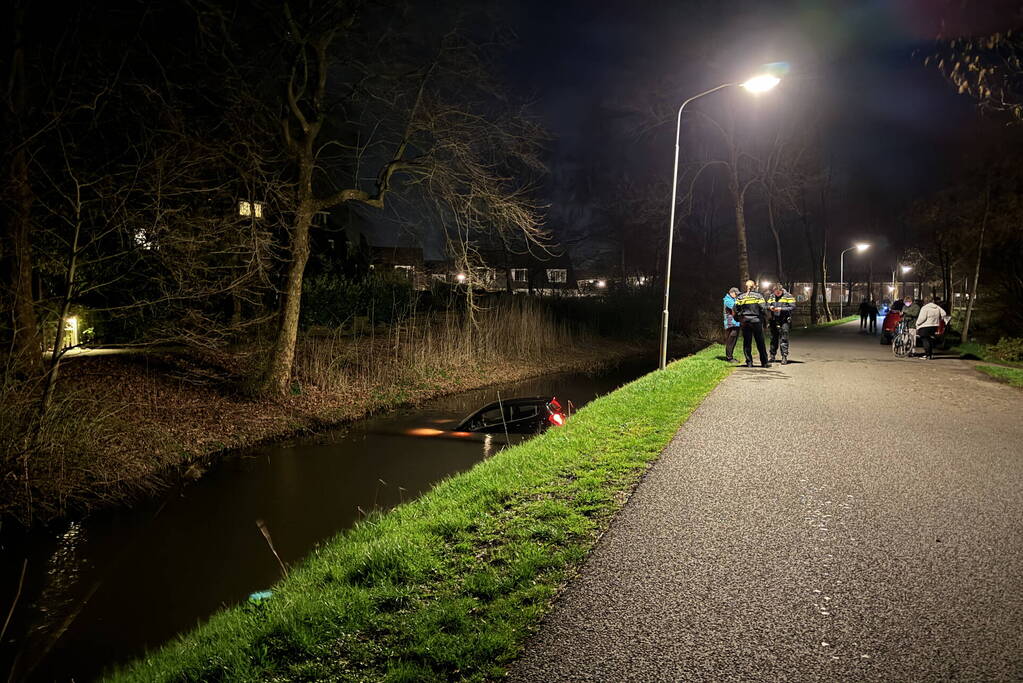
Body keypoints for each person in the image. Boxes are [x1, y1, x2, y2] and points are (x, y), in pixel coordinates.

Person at [733, 280, 770, 368]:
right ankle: (764, 362)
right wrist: (765, 319)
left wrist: (740, 317)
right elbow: (763, 308)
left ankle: (749, 362)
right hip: (756, 321)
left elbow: (735, 309)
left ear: (745, 287)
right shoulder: (758, 296)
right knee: (760, 342)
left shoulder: (740, 297)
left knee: (747, 342)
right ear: (754, 287)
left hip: (745, 322)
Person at [767, 284, 796, 364]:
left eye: (778, 293)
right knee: (773, 339)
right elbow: (767, 304)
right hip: (774, 319)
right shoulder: (772, 296)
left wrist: (781, 309)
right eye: (776, 293)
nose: (777, 294)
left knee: (784, 338)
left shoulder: (788, 296)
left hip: (784, 320)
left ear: (782, 290)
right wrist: (770, 307)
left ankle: (784, 356)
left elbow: (792, 307)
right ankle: (772, 356)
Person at [915, 295, 950, 360]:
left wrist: (917, 323)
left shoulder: (924, 308)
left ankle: (927, 355)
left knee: (925, 340)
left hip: (925, 326)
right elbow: (944, 313)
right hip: (934, 326)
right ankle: (930, 354)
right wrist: (940, 318)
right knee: (930, 340)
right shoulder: (937, 307)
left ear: (925, 301)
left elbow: (922, 318)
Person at [722, 287, 741, 362]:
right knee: (731, 340)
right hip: (731, 323)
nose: (736, 295)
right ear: (732, 293)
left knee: (733, 340)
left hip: (735, 322)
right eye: (736, 294)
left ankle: (730, 357)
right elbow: (736, 307)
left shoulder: (733, 299)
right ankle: (729, 358)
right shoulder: (727, 300)